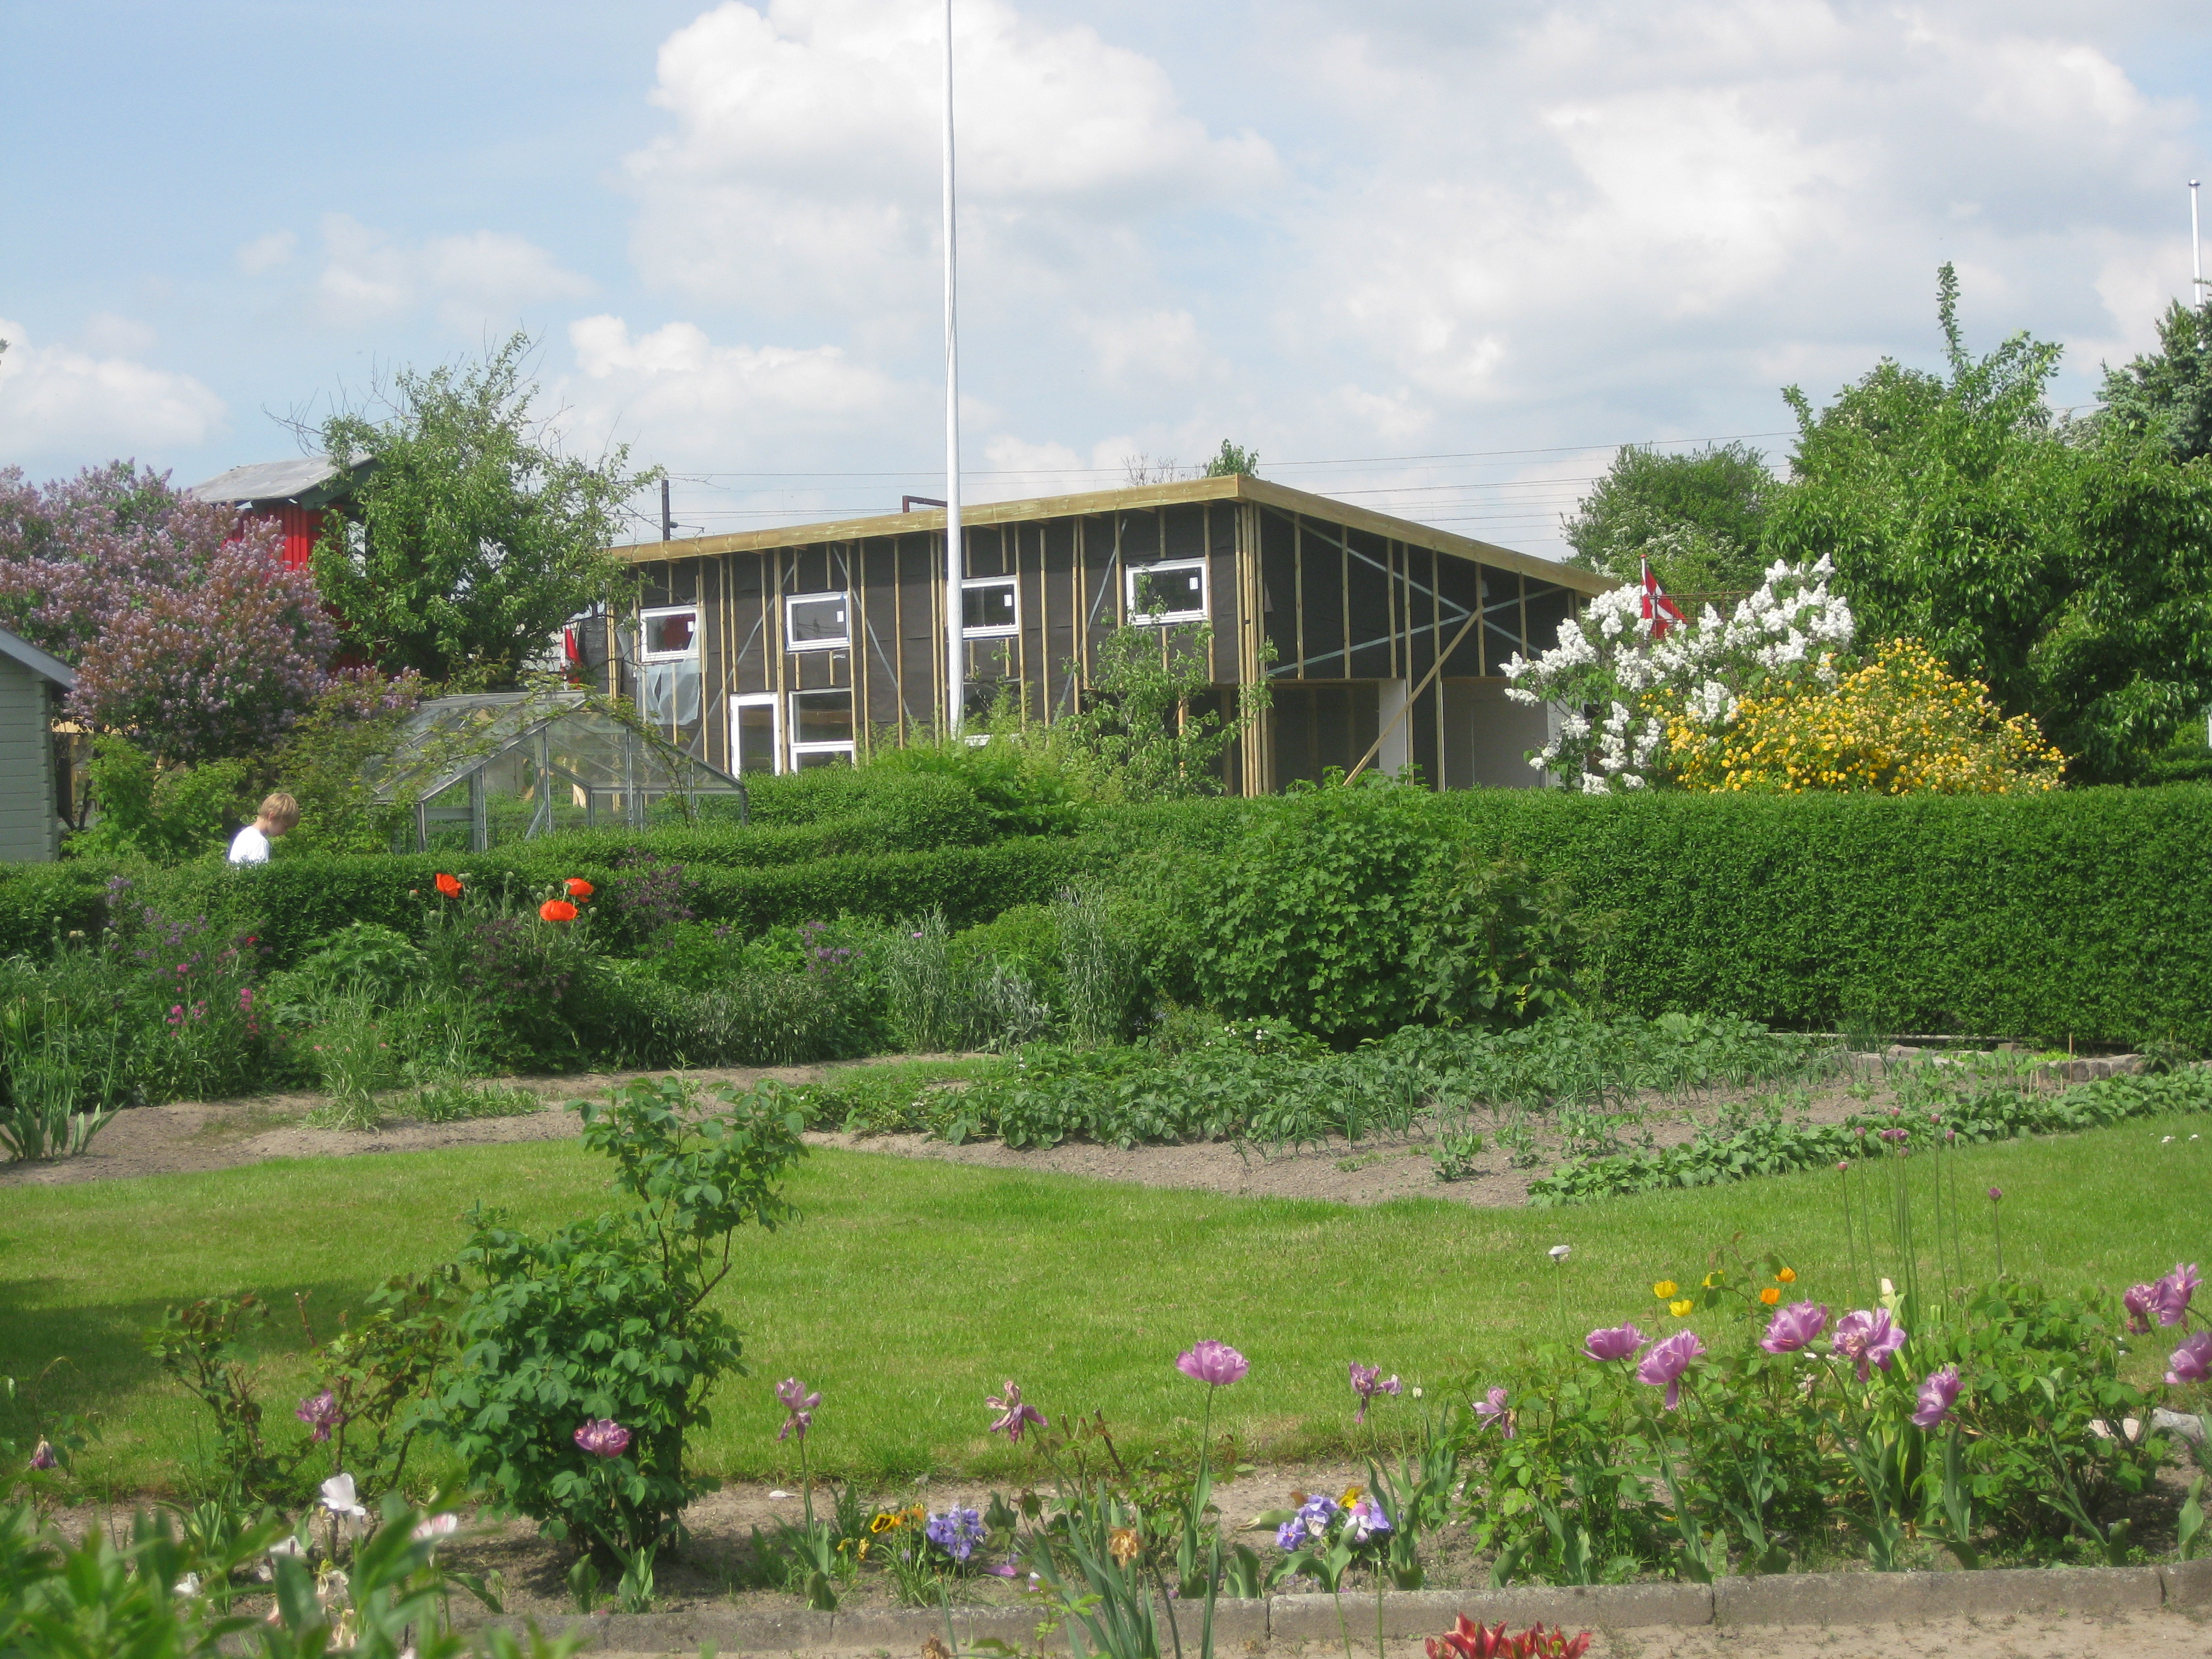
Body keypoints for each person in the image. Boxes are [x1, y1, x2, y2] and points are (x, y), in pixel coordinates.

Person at [227, 793, 300, 865]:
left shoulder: (245, 834)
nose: (285, 832)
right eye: (285, 826)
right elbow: (258, 872)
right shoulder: (260, 842)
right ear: (272, 817)